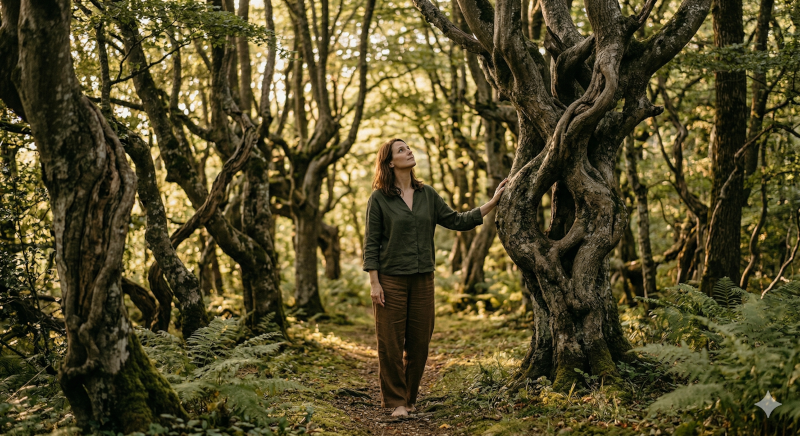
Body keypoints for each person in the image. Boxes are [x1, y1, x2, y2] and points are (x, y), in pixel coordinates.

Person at [363, 137, 507, 417]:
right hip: (391, 280)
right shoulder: (379, 199)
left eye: (408, 147)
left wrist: (492, 203)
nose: (408, 151)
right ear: (390, 162)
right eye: (401, 150)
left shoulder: (427, 194)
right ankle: (396, 402)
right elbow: (371, 244)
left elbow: (456, 220)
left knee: (419, 344)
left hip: (423, 280)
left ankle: (410, 399)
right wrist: (375, 282)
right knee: (390, 344)